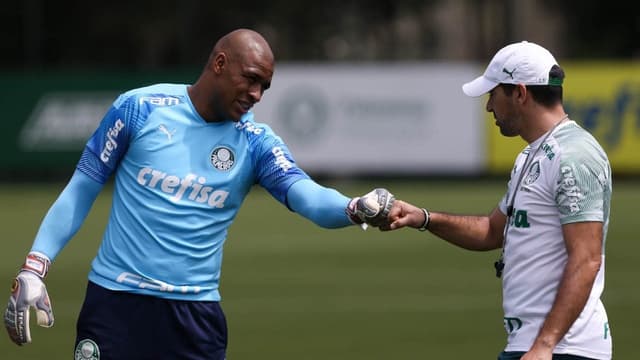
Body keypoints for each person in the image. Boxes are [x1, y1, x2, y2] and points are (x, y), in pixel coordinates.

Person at [3, 28, 392, 359]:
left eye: (265, 87)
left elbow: (306, 195)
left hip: (194, 318)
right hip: (114, 304)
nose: (257, 94)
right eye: (251, 79)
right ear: (220, 64)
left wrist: (354, 208)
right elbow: (82, 188)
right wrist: (34, 267)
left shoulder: (256, 143)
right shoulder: (140, 108)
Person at [383, 41, 612, 360]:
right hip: (533, 345)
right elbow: (493, 231)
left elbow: (587, 258)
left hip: (563, 349)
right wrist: (422, 217)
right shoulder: (531, 155)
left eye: (493, 93)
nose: (489, 106)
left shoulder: (573, 155)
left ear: (519, 93)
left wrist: (545, 345)